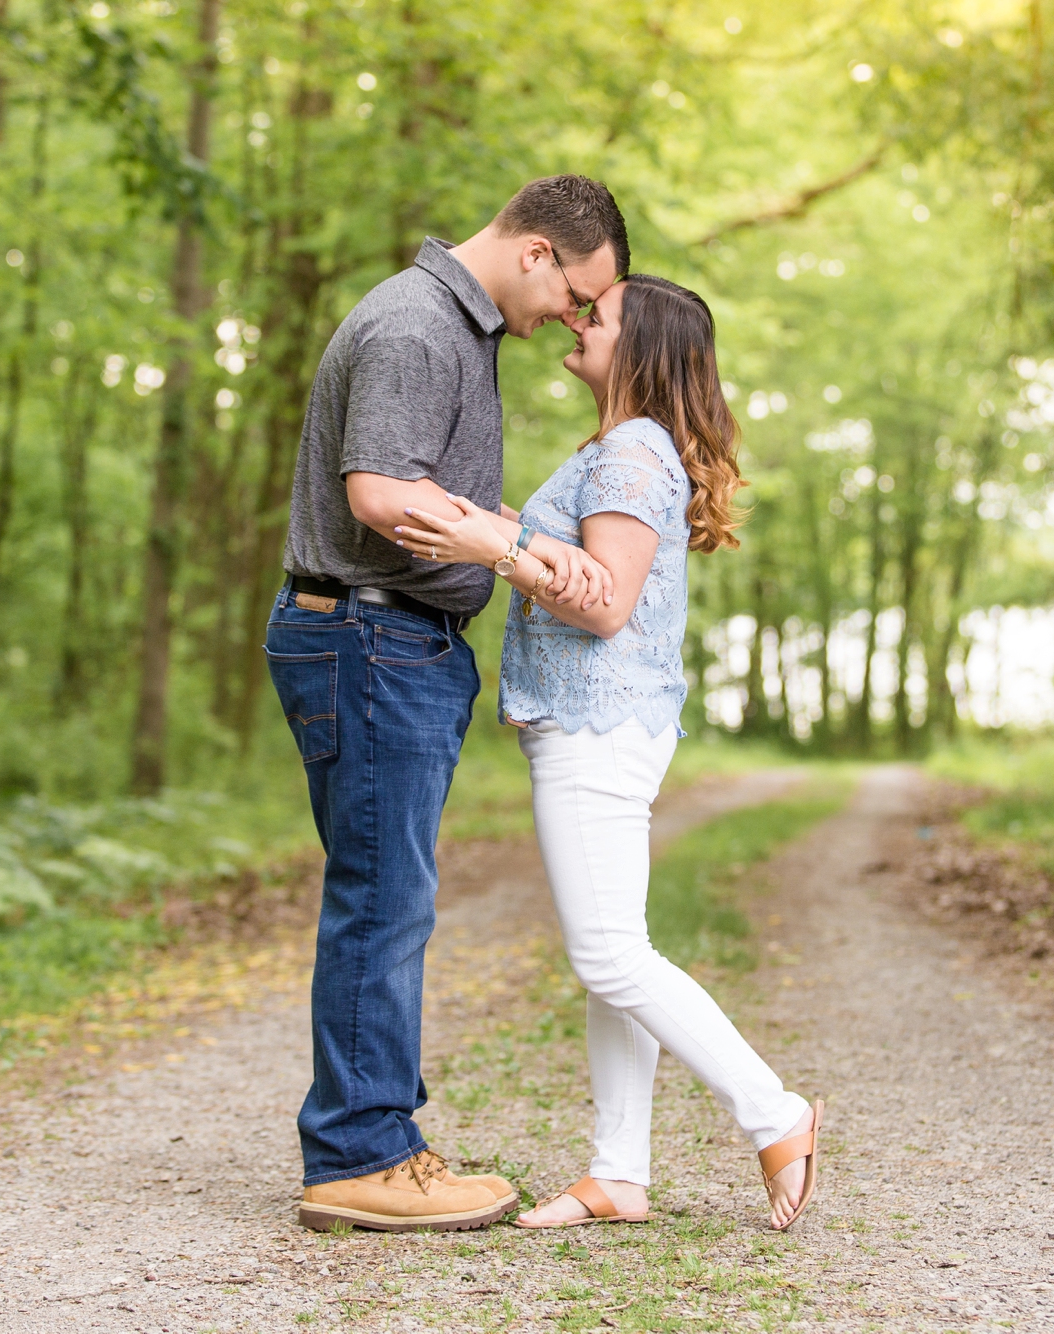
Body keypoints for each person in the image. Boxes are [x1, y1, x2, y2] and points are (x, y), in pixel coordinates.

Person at [388, 274, 823, 1232]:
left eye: (602, 315)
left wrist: (488, 545)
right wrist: (498, 528)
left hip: (596, 722)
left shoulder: (631, 452)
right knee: (617, 947)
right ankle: (619, 1173)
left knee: (610, 954)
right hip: (604, 723)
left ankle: (774, 1111)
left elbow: (605, 603)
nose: (580, 321)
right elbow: (581, 567)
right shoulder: (631, 448)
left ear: (643, 353)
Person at [269, 175, 628, 1234]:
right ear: (535, 253)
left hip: (392, 640)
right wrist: (518, 552)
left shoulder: (451, 330)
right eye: (575, 296)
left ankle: (373, 1139)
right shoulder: (419, 325)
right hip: (369, 637)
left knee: (389, 892)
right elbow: (379, 491)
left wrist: (519, 532)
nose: (570, 320)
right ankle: (359, 1155)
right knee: (383, 897)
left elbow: (431, 489)